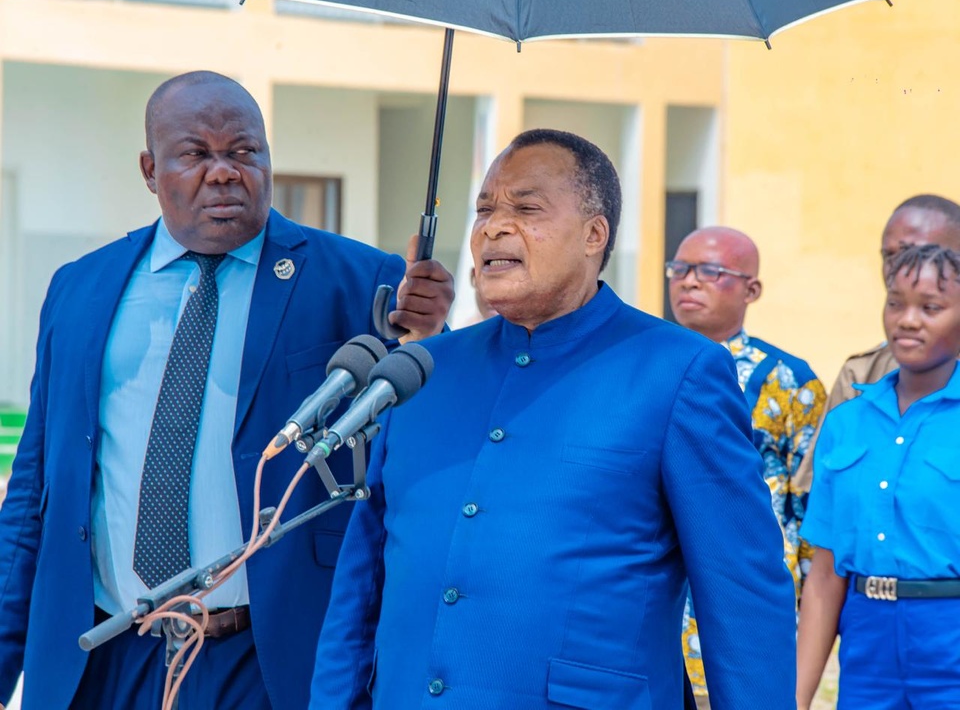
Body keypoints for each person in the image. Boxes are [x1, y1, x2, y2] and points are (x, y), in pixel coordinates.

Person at [0, 71, 453, 710]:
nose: (224, 172)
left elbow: (421, 445)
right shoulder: (80, 288)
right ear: (150, 170)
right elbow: (34, 494)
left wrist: (433, 332)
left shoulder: (363, 281)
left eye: (244, 152)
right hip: (103, 652)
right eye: (196, 154)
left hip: (266, 658)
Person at [309, 129, 797, 709]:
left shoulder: (677, 371)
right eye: (485, 208)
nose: (493, 226)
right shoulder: (423, 370)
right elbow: (360, 584)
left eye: (526, 207)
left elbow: (742, 597)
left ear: (595, 234)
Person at [666, 226, 826, 707]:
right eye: (680, 269)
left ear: (751, 290)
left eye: (711, 271)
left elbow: (808, 516)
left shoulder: (789, 382)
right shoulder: (641, 367)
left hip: (741, 624)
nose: (689, 282)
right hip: (651, 629)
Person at [797, 242, 960, 710]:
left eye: (931, 307)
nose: (908, 320)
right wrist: (797, 697)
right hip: (866, 636)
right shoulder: (847, 422)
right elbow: (825, 576)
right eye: (896, 303)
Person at [794, 193, 960, 493]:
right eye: (889, 256)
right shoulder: (860, 374)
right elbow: (820, 494)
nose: (895, 268)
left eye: (913, 253)